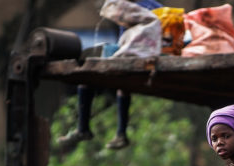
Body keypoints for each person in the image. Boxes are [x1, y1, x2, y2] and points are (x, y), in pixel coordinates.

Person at [57, 0, 162, 151]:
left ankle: (86, 129)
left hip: (144, 53)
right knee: (98, 77)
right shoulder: (128, 7)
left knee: (89, 75)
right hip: (132, 53)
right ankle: (110, 132)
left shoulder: (148, 6)